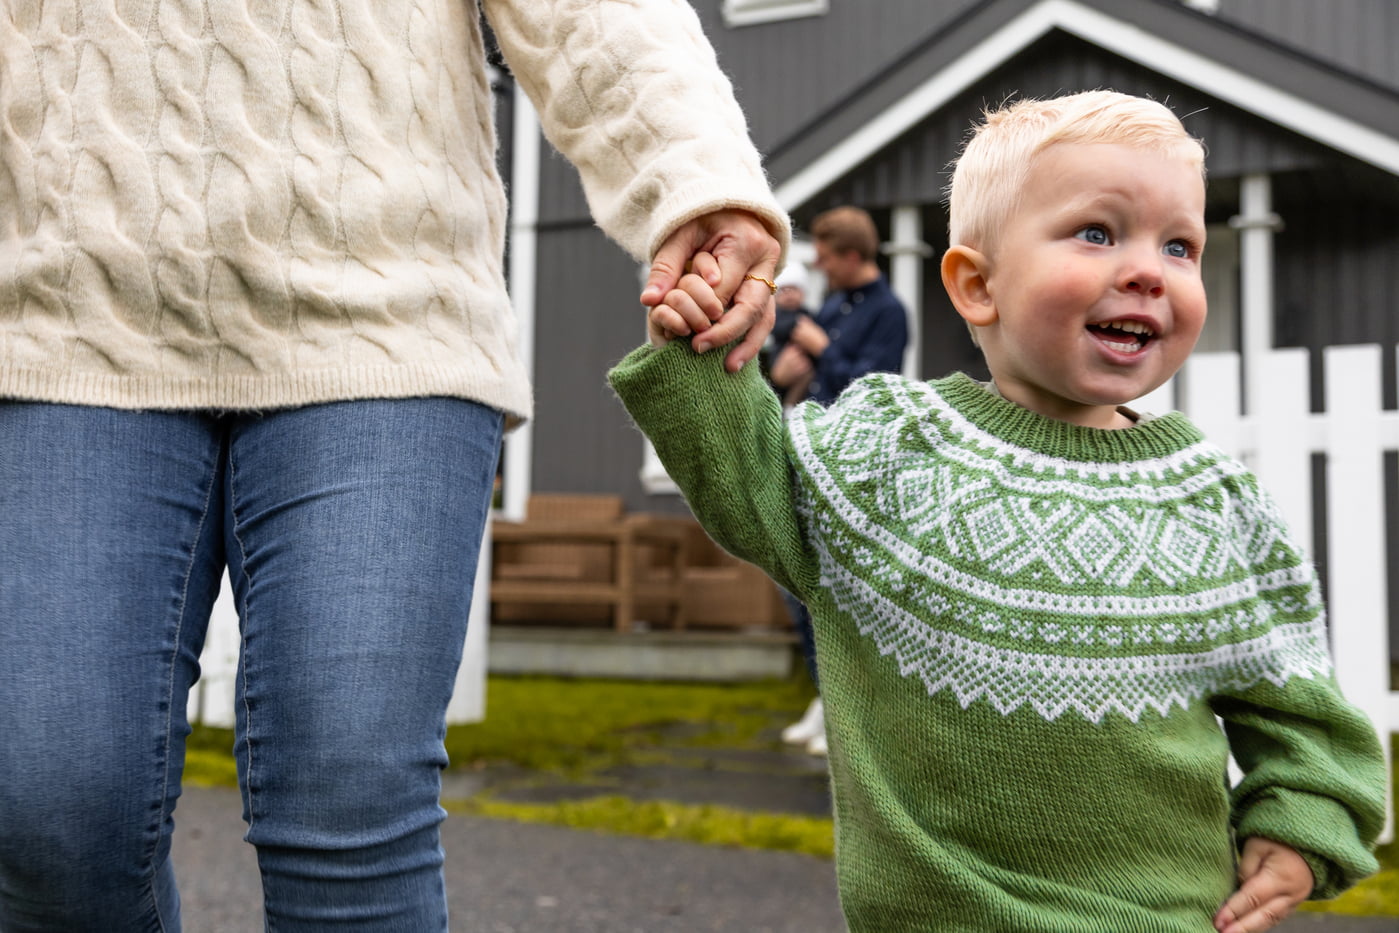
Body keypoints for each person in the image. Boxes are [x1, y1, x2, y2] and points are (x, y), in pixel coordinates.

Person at [0, 2, 787, 930]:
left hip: (384, 307)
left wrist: (695, 173)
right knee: (50, 813)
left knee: (350, 793)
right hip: (62, 314)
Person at [611, 90, 1385, 933]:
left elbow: (1302, 711)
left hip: (1165, 917)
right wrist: (698, 350)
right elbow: (749, 482)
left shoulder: (1213, 501)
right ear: (976, 284)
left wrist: (1299, 824)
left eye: (1180, 245)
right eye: (1096, 232)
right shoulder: (892, 451)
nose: (1146, 269)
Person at [768, 206, 909, 405]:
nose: (817, 265)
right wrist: (780, 378)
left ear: (851, 258)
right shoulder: (832, 305)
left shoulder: (889, 312)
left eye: (824, 258)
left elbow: (875, 391)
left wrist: (823, 349)